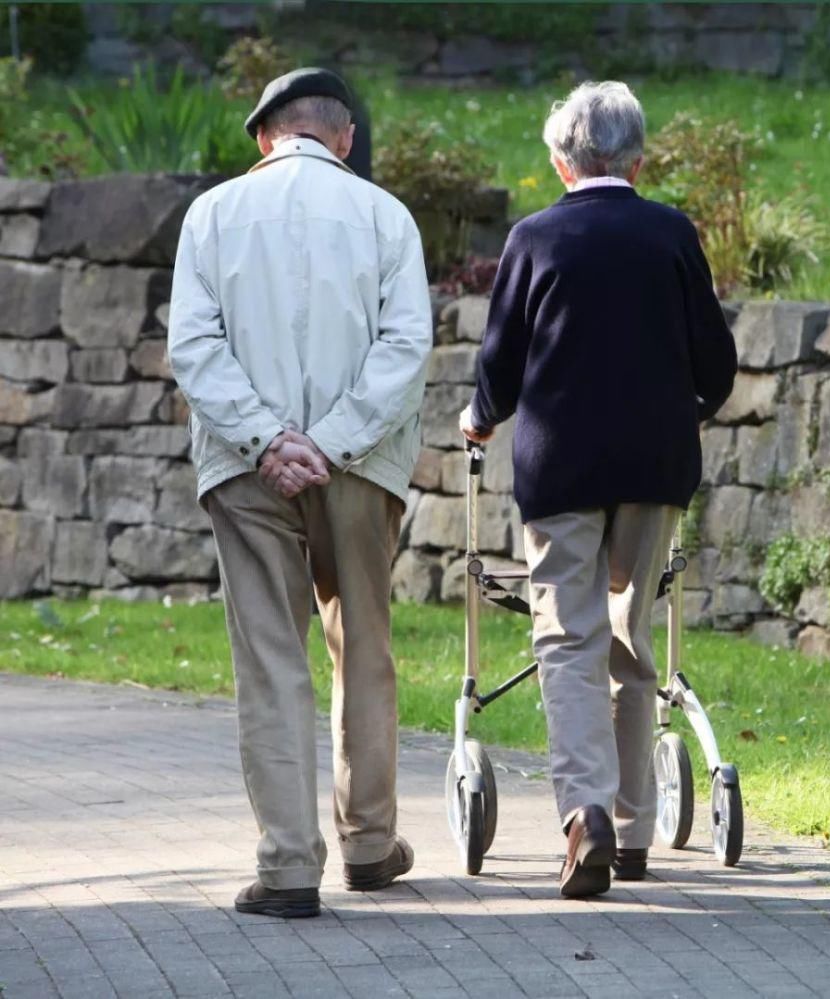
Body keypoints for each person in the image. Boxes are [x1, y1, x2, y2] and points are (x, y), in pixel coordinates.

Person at [460, 81, 737, 899]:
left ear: (559, 164)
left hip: (562, 469)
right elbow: (715, 364)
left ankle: (586, 816)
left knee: (567, 639)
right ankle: (637, 826)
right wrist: (688, 410)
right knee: (630, 632)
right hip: (655, 466)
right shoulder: (672, 234)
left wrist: (479, 420)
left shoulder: (535, 237)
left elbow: (502, 366)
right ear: (638, 160)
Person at [168, 68, 432, 918]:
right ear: (344, 137)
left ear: (263, 138)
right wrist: (331, 440)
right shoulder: (387, 216)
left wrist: (266, 439)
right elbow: (404, 347)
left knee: (271, 658)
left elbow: (195, 346)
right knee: (363, 642)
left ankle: (287, 867)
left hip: (248, 471)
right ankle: (366, 842)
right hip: (358, 465)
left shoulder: (211, 214)